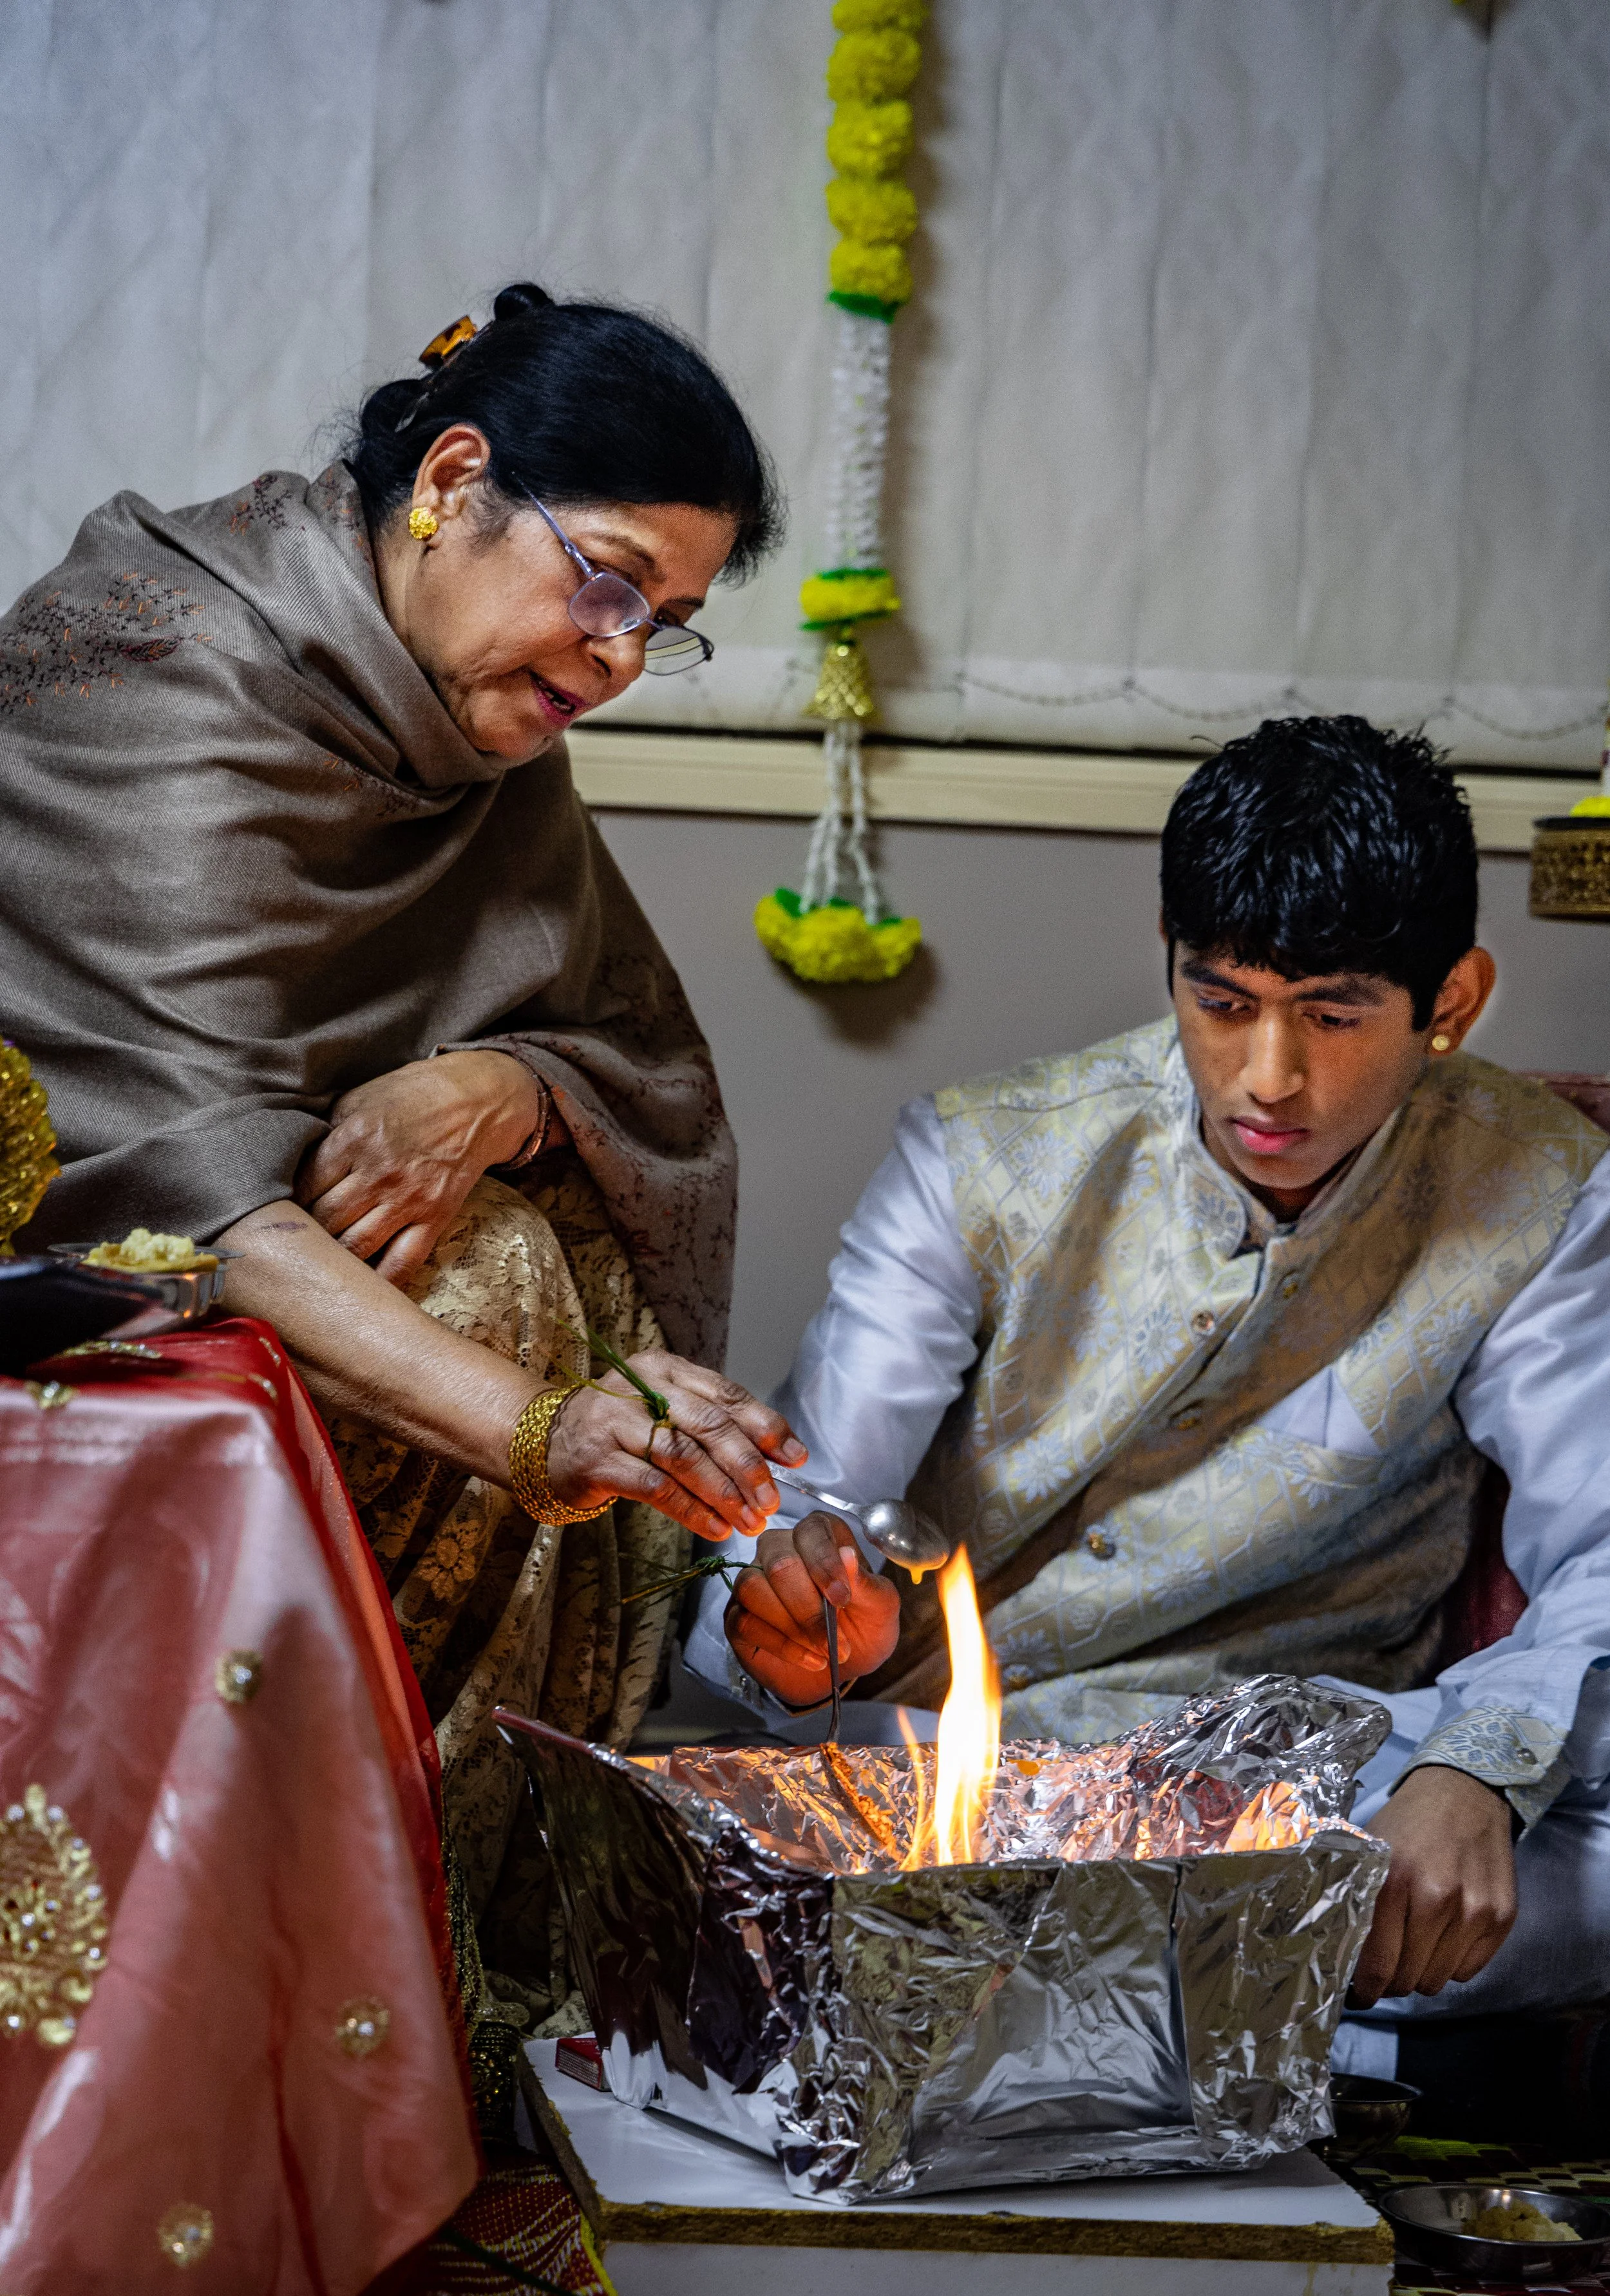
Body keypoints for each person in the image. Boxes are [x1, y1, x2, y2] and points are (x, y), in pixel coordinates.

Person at [1, 282, 808, 2034]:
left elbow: (614, 1055)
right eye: (603, 579)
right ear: (453, 477)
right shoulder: (150, 663)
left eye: (657, 622)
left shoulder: (472, 722)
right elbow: (167, 1186)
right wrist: (540, 1425)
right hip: (70, 1303)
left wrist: (492, 1090)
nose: (610, 657)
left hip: (301, 1281)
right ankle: (290, 1988)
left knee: (538, 1250)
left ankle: (442, 1971)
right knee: (502, 1279)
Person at [699, 715, 1610, 2107]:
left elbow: (1599, 1547)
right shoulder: (981, 1159)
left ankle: (1057, 2012)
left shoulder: (1539, 1187)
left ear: (1453, 999)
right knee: (747, 1807)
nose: (1267, 1077)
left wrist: (1476, 1773)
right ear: (1173, 967)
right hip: (965, 1778)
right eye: (1222, 1000)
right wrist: (799, 1614)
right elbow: (805, 1501)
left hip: (1308, 1795)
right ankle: (1286, 2031)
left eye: (1333, 1013)